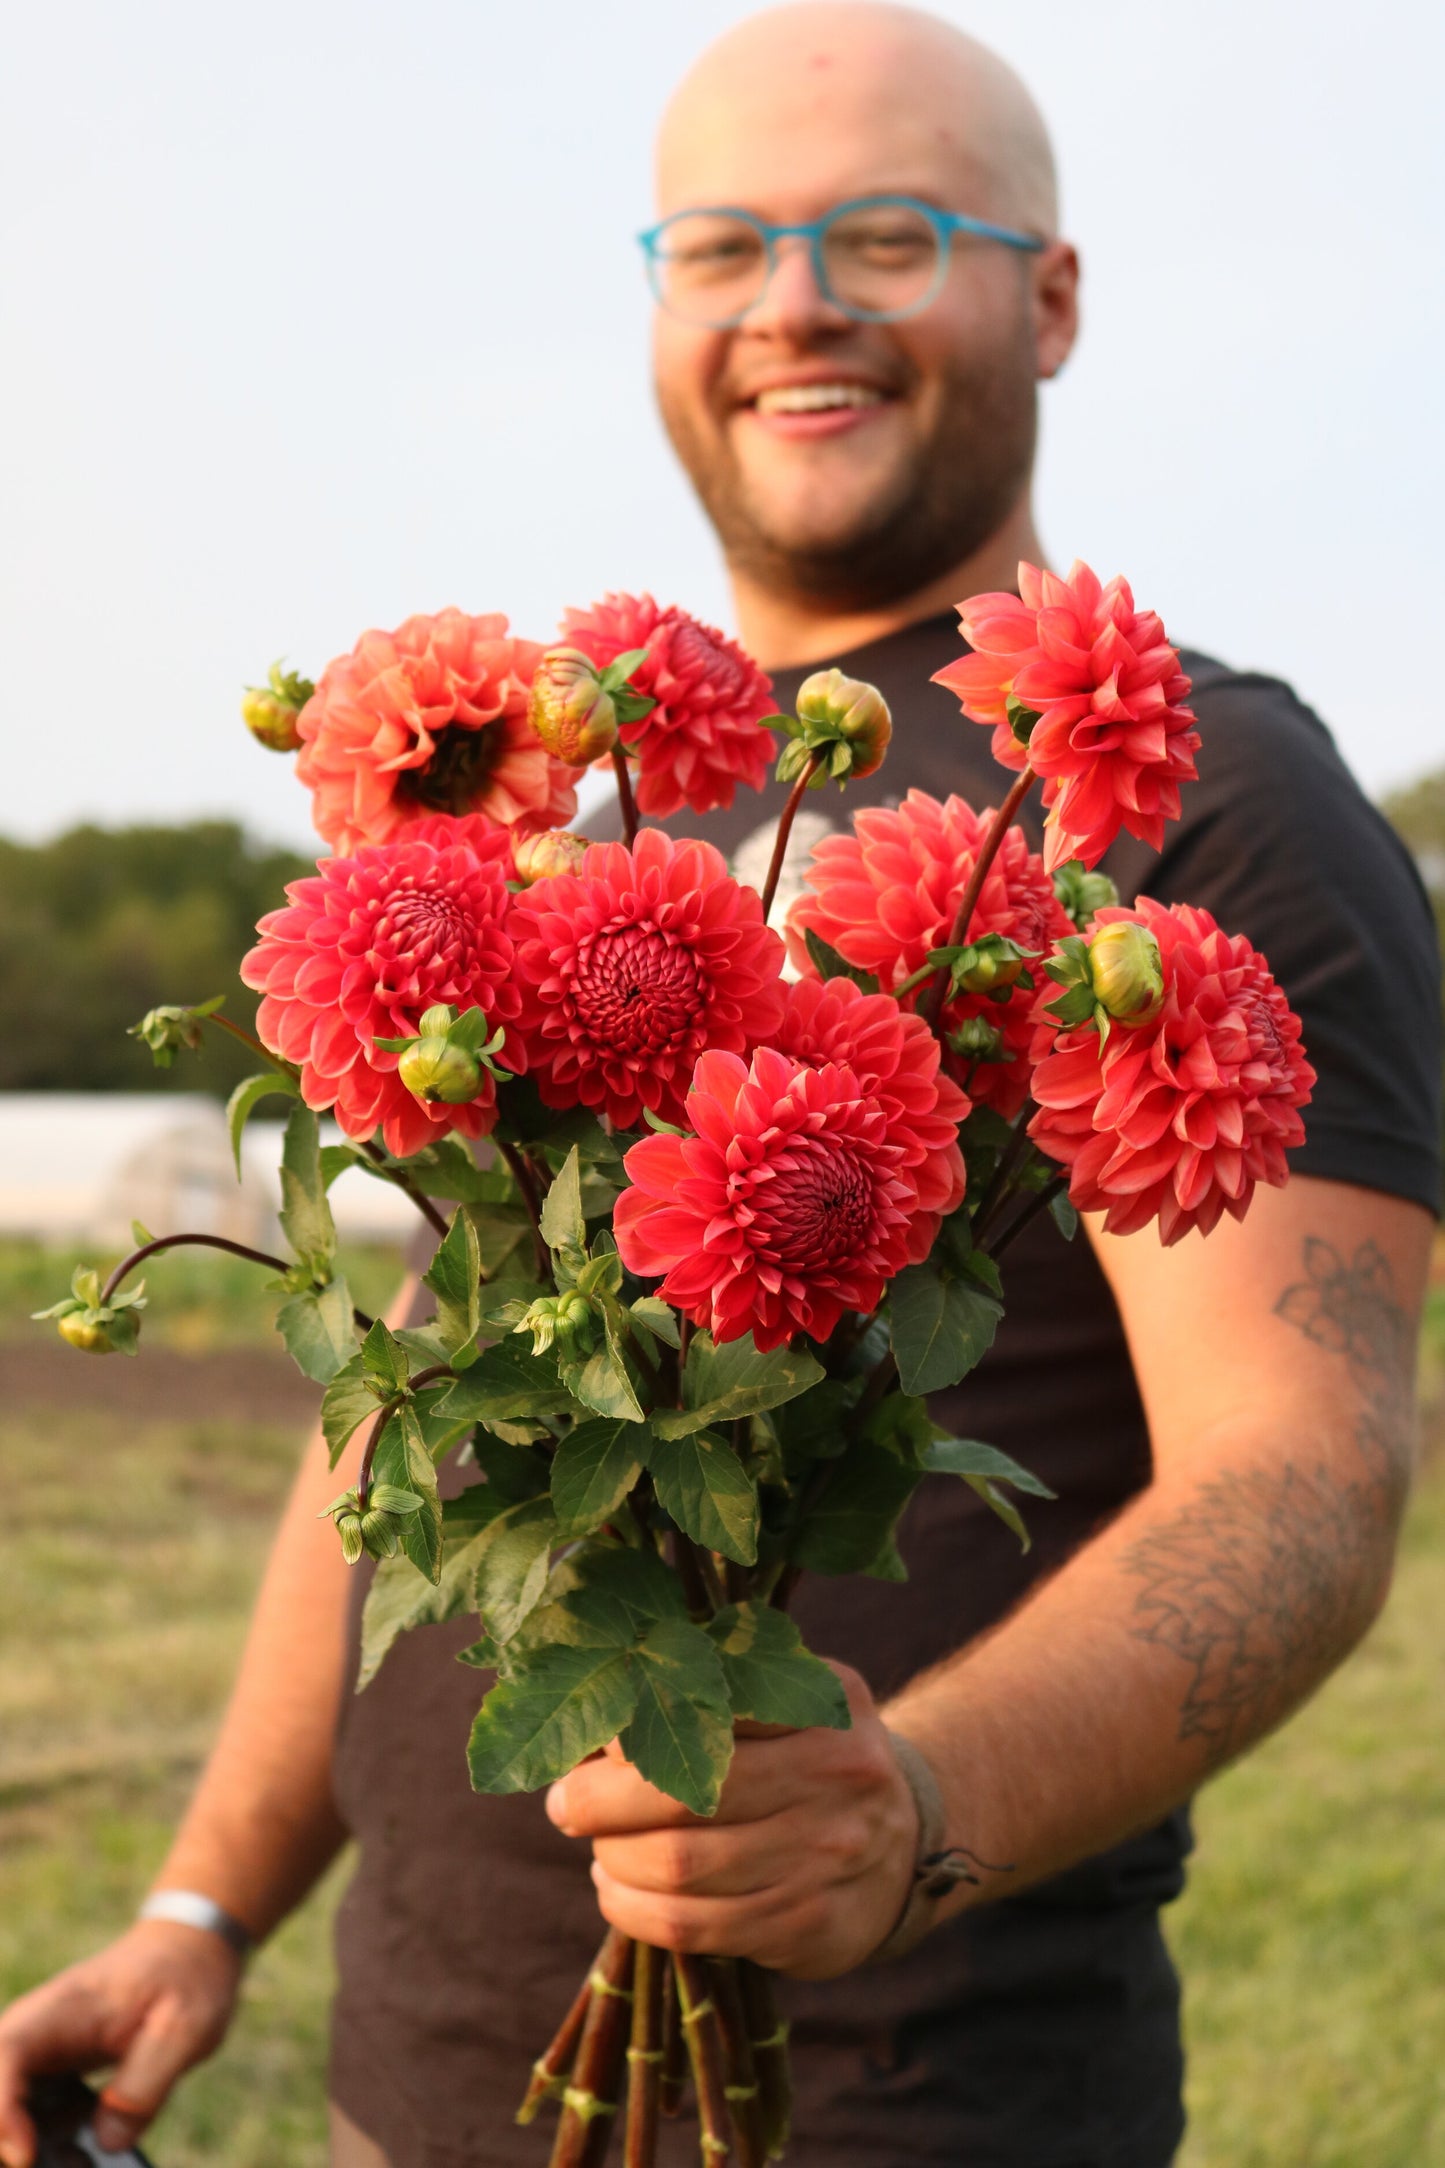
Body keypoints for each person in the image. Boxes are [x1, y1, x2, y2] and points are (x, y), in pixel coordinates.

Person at [1, 6, 1439, 2166]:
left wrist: (917, 1810)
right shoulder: (610, 815)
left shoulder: (1202, 808)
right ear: (659, 301)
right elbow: (404, 1415)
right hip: (425, 2074)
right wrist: (199, 1906)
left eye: (886, 231)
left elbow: (1303, 1476)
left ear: (1048, 297)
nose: (793, 302)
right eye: (722, 243)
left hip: (896, 2104)